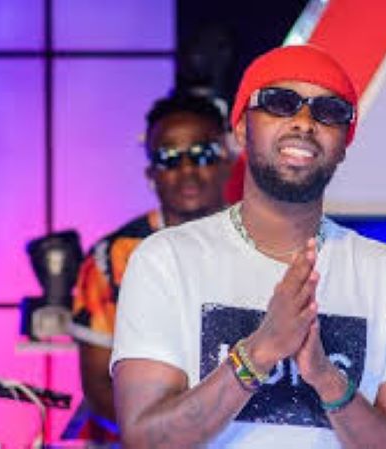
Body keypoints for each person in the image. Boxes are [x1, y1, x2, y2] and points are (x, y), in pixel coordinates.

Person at [111, 44, 386, 449]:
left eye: (328, 111)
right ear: (241, 129)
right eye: (280, 103)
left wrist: (327, 379)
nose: (304, 122)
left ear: (343, 145)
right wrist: (259, 352)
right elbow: (146, 440)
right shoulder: (166, 260)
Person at [70, 92, 233, 440]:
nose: (187, 171)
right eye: (169, 159)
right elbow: (99, 385)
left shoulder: (263, 241)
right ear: (151, 173)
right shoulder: (111, 257)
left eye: (202, 154)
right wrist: (169, 437)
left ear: (227, 161)